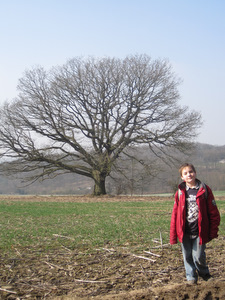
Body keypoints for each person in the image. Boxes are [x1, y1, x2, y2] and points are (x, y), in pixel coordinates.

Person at [170, 163, 220, 284]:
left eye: (191, 172)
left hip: (199, 231)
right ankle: (191, 277)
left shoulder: (204, 190)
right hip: (184, 231)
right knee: (187, 257)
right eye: (185, 173)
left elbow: (214, 213)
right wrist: (173, 236)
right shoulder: (180, 192)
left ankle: (205, 274)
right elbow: (175, 215)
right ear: (182, 177)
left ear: (195, 173)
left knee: (198, 257)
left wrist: (213, 231)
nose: (189, 175)